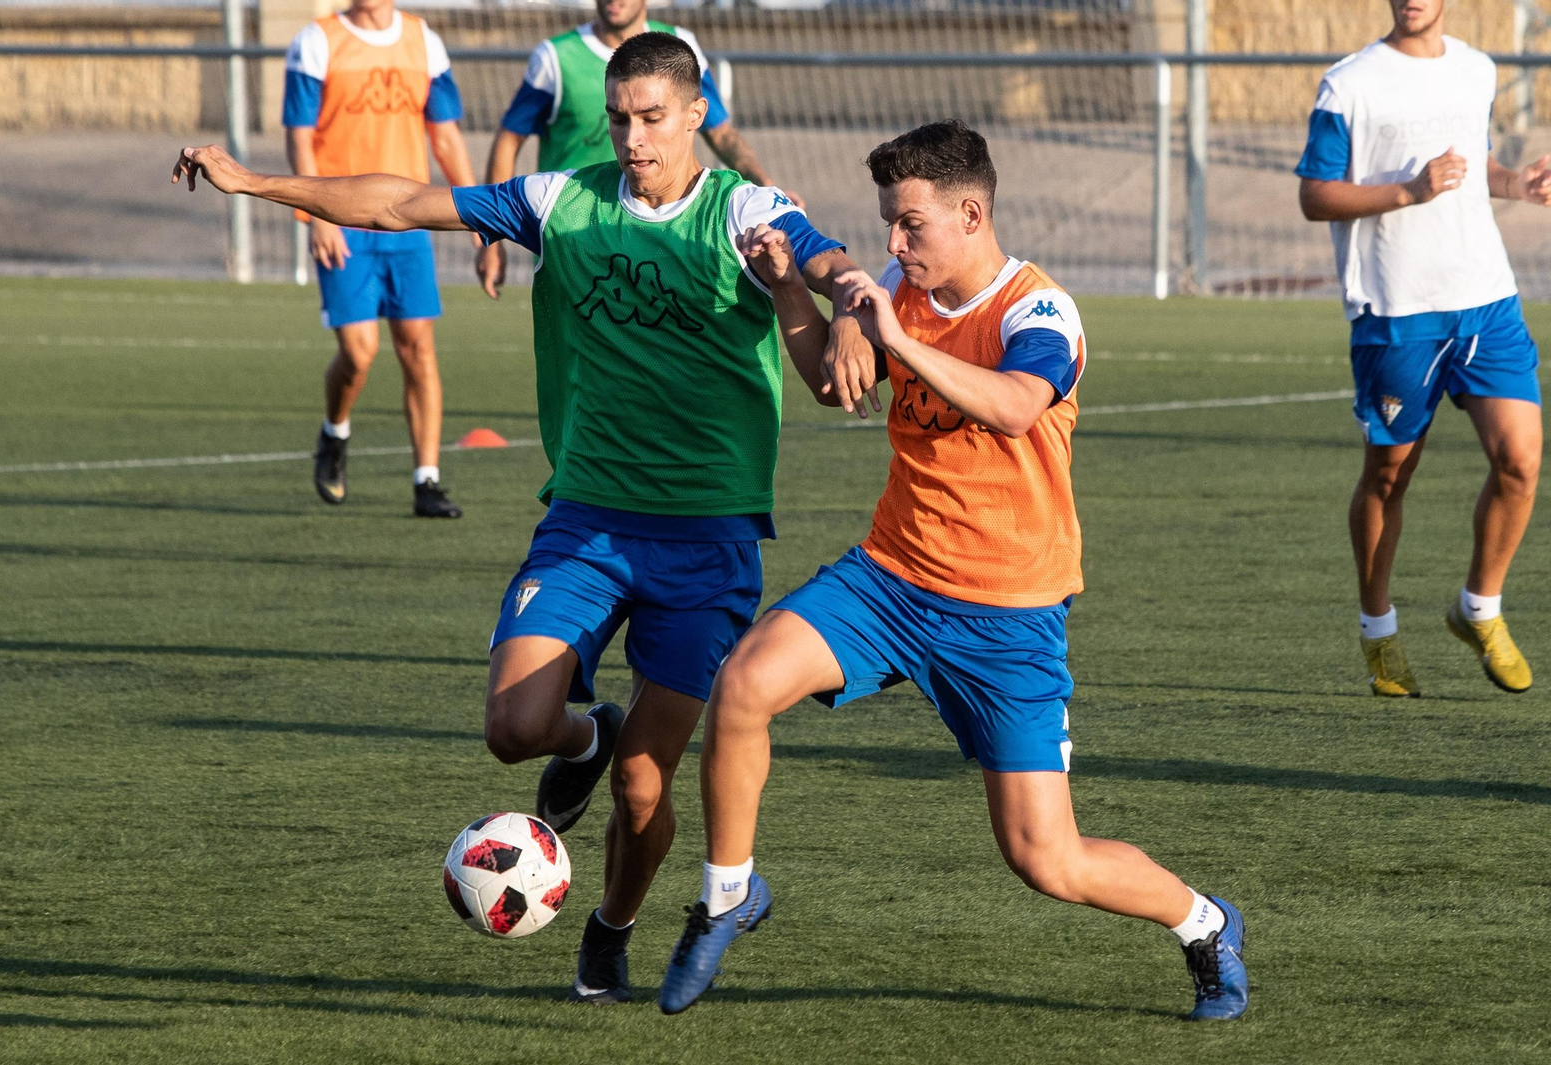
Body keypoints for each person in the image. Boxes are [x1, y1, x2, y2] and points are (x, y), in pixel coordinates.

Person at [174, 32, 876, 1005]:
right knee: (515, 728)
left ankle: (611, 929)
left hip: (708, 542)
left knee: (645, 790)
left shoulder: (744, 210)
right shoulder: (560, 199)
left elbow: (835, 262)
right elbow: (394, 200)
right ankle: (584, 738)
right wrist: (256, 184)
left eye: (653, 118)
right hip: (587, 522)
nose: (632, 137)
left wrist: (847, 302)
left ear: (695, 112)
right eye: (621, 118)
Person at [657, 121, 1249, 1022]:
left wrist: (896, 331)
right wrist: (787, 293)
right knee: (741, 684)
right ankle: (728, 893)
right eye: (889, 227)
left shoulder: (1037, 310)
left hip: (1006, 614)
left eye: (911, 226)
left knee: (1046, 859)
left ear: (971, 214)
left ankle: (1204, 922)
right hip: (889, 579)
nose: (893, 245)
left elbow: (1015, 406)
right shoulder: (903, 289)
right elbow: (833, 382)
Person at [1296, 0, 1550, 695]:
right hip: (1396, 312)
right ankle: (1378, 629)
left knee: (1521, 460)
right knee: (1388, 477)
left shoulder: (1476, 68)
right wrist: (1408, 191)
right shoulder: (1349, 84)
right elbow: (1315, 195)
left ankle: (1479, 609)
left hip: (1486, 299)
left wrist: (1514, 183)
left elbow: (1477, 167)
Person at [283, 0, 475, 517]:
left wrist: (479, 208)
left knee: (418, 347)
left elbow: (446, 134)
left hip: (407, 221)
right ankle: (335, 431)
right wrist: (316, 214)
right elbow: (299, 137)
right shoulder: (317, 40)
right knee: (359, 353)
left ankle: (427, 481)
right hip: (342, 220)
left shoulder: (423, 40)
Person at [475, 0, 800, 299]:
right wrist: (493, 239)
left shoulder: (679, 50)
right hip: (578, 238)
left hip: (660, 234)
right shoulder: (556, 58)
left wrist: (766, 188)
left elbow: (722, 134)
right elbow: (509, 138)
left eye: (651, 117)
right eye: (617, 118)